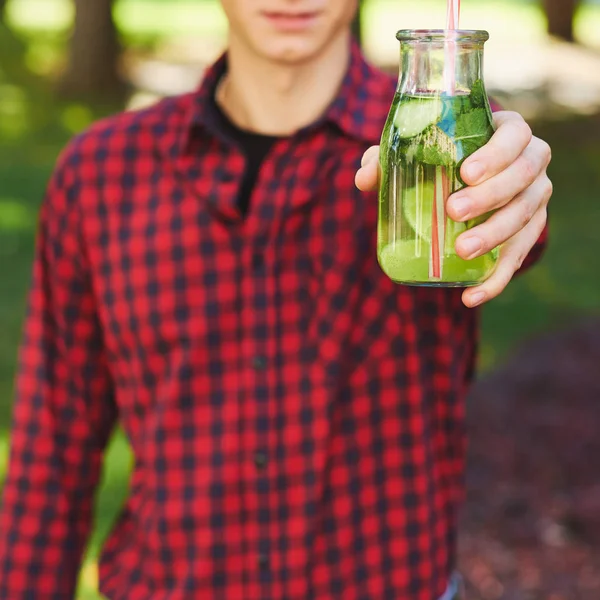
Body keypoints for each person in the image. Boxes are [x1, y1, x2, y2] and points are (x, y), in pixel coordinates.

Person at [0, 1, 552, 599]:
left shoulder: (445, 144)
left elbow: (513, 220)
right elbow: (54, 452)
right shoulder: (100, 173)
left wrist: (515, 200)